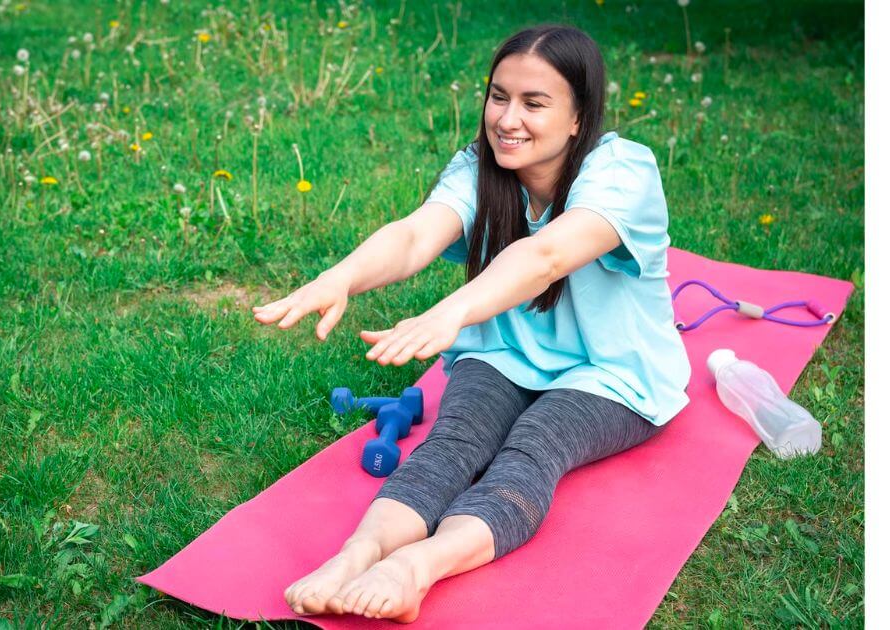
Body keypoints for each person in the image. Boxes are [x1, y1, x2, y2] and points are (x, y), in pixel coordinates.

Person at [252, 24, 690, 623]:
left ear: (577, 118)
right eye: (499, 96)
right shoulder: (479, 170)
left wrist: (451, 312)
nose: (508, 118)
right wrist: (341, 278)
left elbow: (548, 256)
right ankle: (360, 553)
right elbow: (412, 236)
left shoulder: (623, 172)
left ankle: (416, 568)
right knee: (451, 446)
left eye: (535, 103)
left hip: (610, 376)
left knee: (533, 448)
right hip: (506, 355)